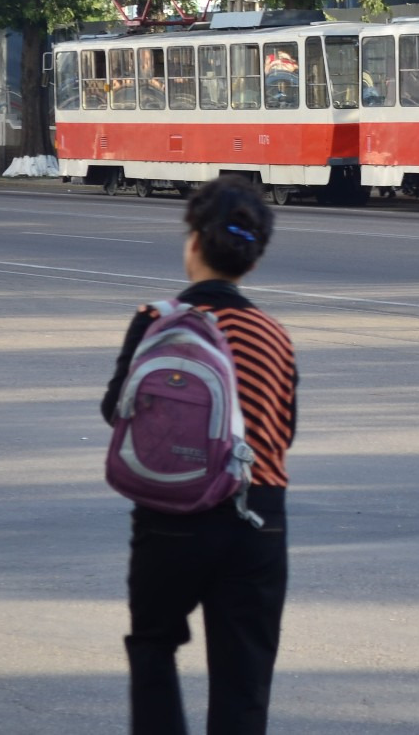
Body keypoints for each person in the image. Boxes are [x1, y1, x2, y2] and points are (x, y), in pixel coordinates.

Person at [103, 176, 297, 735]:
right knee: (243, 677)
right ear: (252, 261)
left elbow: (114, 410)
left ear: (193, 241)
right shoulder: (273, 335)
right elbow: (285, 431)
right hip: (256, 516)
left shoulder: (156, 322)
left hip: (169, 517)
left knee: (153, 647)